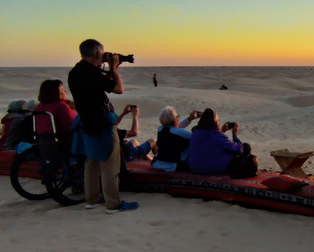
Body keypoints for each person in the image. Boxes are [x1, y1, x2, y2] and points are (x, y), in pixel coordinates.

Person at [68, 39, 138, 213]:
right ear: (98, 54)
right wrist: (114, 69)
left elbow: (100, 83)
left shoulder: (75, 72)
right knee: (109, 164)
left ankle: (92, 199)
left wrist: (112, 68)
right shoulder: (92, 74)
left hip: (86, 122)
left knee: (91, 161)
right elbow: (118, 89)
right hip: (102, 123)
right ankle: (113, 204)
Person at [188, 108, 245, 175]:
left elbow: (209, 140)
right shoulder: (218, 136)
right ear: (215, 123)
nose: (219, 122)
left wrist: (221, 131)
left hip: (195, 167)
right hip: (214, 168)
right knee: (245, 147)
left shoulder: (195, 133)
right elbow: (238, 150)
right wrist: (235, 135)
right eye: (218, 120)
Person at [152, 106, 199, 172]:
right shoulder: (181, 132)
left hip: (157, 165)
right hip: (174, 167)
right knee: (192, 143)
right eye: (177, 117)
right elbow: (197, 137)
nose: (178, 118)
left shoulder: (160, 129)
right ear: (174, 121)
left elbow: (173, 129)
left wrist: (189, 119)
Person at [33, 79, 78, 146]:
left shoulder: (39, 107)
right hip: (63, 144)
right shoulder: (61, 106)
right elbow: (73, 127)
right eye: (63, 90)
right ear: (56, 92)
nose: (65, 91)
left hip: (43, 145)